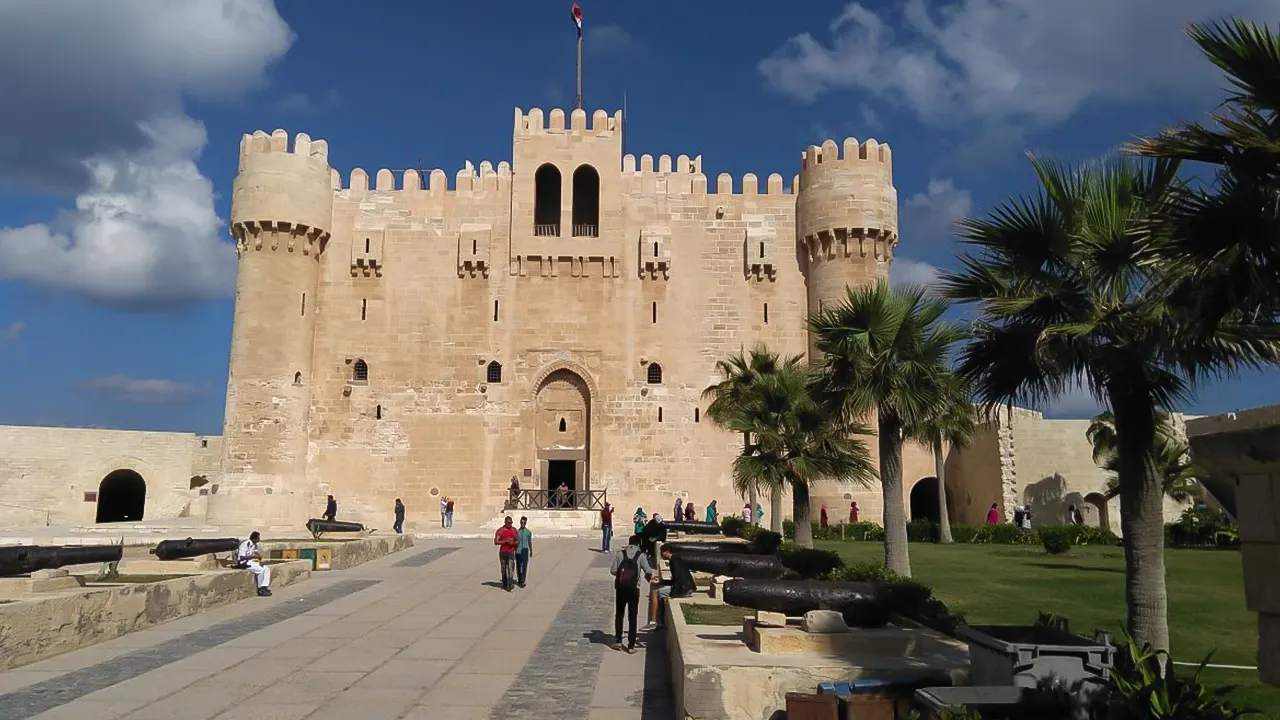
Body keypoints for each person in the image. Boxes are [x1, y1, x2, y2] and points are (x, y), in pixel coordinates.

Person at [610, 534, 656, 653]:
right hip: (634, 589)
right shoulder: (640, 555)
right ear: (638, 544)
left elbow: (613, 570)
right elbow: (648, 571)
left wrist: (623, 576)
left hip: (621, 589)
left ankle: (618, 641)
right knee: (632, 616)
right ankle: (631, 645)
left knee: (619, 614)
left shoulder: (620, 553)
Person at [642, 545, 695, 632]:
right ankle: (661, 622)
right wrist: (661, 582)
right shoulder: (676, 559)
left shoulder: (674, 561)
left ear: (667, 551)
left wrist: (674, 592)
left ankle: (653, 621)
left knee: (655, 592)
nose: (661, 555)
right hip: (686, 587)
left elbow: (677, 579)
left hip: (683, 589)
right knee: (659, 591)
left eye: (662, 552)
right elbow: (675, 579)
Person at [236, 531, 272, 597]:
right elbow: (241, 557)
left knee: (266, 569)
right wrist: (253, 556)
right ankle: (260, 589)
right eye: (258, 538)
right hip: (243, 562)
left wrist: (259, 558)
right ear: (254, 539)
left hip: (250, 561)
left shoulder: (254, 545)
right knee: (261, 570)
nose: (259, 540)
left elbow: (255, 552)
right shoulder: (245, 544)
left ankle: (264, 587)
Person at [494, 516, 520, 591]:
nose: (510, 524)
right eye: (508, 523)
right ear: (505, 523)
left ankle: (510, 584)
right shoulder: (500, 531)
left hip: (511, 552)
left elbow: (518, 541)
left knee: (510, 568)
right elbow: (496, 541)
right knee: (503, 568)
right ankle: (505, 583)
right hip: (503, 552)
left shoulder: (514, 530)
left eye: (511, 523)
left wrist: (513, 543)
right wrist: (505, 541)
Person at [516, 516, 533, 587]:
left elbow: (529, 542)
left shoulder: (528, 532)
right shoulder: (517, 532)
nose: (522, 524)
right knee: (518, 566)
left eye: (524, 523)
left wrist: (531, 550)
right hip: (518, 550)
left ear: (525, 523)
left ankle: (522, 580)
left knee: (524, 566)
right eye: (521, 522)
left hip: (525, 549)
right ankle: (519, 579)